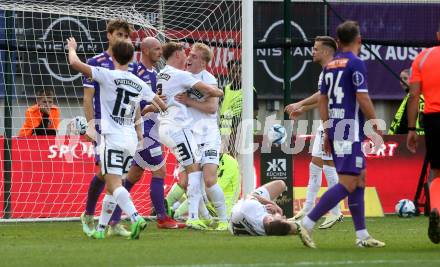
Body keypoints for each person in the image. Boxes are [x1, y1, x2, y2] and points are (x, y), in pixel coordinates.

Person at [67, 37, 166, 239]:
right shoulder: (139, 82)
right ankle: (101, 230)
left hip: (111, 137)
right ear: (132, 59)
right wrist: (149, 108)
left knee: (113, 185)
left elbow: (75, 64)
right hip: (131, 139)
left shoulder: (106, 75)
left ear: (113, 57)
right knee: (114, 186)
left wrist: (71, 48)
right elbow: (161, 105)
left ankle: (136, 217)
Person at [297, 21, 385, 249]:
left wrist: (326, 130)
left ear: (337, 42)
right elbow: (362, 98)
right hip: (350, 131)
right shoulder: (356, 64)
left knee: (360, 179)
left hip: (336, 128)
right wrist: (375, 123)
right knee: (348, 182)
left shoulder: (329, 67)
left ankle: (362, 235)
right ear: (359, 41)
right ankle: (307, 222)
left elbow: (323, 101)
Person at [108, 37, 184, 229]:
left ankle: (114, 217)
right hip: (145, 131)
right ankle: (162, 218)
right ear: (147, 51)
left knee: (133, 176)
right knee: (160, 171)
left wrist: (157, 104)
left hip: (151, 130)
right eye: (157, 49)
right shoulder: (137, 72)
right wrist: (153, 105)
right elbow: (135, 107)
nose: (160, 52)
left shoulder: (154, 73)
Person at [157, 41, 223, 230]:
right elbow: (212, 93)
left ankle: (211, 217)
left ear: (203, 63)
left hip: (205, 134)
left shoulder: (167, 75)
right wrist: (218, 92)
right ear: (178, 55)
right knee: (194, 175)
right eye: (188, 54)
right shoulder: (181, 76)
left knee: (198, 180)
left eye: (194, 55)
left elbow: (211, 107)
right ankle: (195, 217)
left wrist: (187, 100)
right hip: (183, 132)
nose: (189, 57)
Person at [79, 19, 135, 237]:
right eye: (118, 34)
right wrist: (92, 127)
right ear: (109, 35)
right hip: (103, 127)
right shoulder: (95, 62)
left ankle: (111, 222)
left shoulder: (129, 64)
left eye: (125, 36)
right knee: (105, 175)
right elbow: (87, 98)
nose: (121, 39)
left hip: (124, 129)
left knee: (114, 175)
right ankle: (90, 215)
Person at [284, 36, 343, 229]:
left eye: (316, 49)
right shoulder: (329, 69)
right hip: (326, 120)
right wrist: (304, 109)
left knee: (328, 164)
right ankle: (307, 209)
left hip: (335, 120)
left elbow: (323, 96)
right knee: (315, 163)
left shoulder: (333, 68)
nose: (313, 52)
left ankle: (336, 212)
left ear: (326, 51)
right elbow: (323, 97)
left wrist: (299, 103)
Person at [407, 24, 440, 244]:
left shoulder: (422, 57)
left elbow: (413, 96)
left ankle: (436, 208)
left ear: (438, 35)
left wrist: (411, 129)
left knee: (436, 171)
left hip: (433, 119)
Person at [166, 153, 241, 223]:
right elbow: (190, 190)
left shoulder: (229, 163)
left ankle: (174, 214)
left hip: (223, 211)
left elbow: (210, 194)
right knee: (188, 183)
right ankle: (163, 210)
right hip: (206, 209)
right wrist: (176, 206)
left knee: (200, 190)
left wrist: (178, 212)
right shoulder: (203, 161)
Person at [229, 180, 300, 236]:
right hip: (237, 224)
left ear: (270, 219)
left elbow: (249, 195)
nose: (284, 216)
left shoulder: (252, 208)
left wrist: (271, 203)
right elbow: (291, 228)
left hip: (242, 206)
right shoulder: (267, 231)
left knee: (280, 184)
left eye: (282, 218)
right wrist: (277, 214)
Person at [219, 59, 258, 157]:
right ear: (229, 72)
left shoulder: (249, 89)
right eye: (233, 71)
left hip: (242, 131)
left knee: (239, 162)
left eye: (239, 71)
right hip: (225, 131)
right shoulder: (225, 89)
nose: (236, 74)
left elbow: (254, 113)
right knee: (226, 160)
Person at [388, 68, 424, 135]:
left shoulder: (419, 97)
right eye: (400, 79)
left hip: (417, 139)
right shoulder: (409, 96)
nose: (402, 82)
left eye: (405, 78)